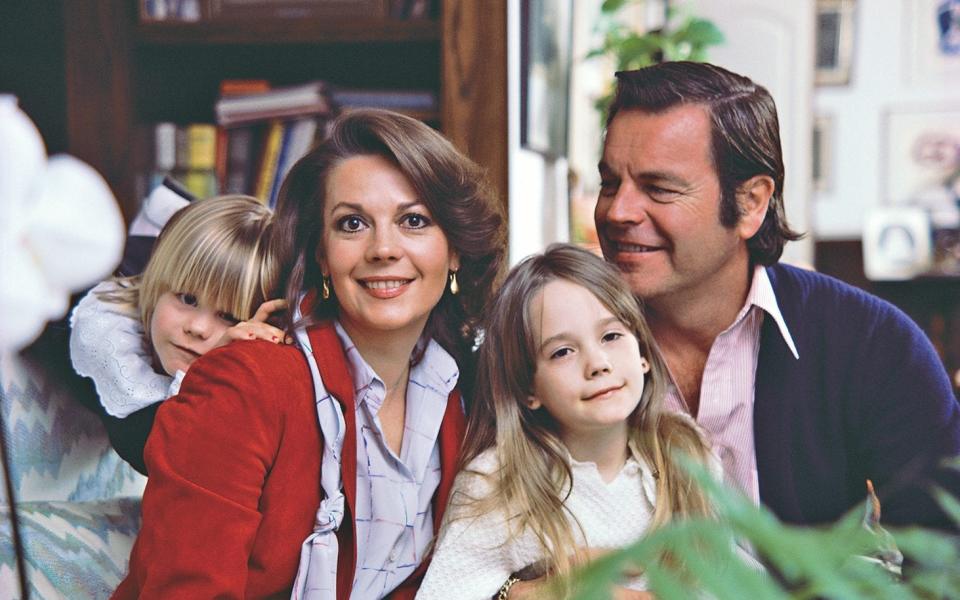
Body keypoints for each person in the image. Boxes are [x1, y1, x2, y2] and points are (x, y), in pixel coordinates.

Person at [112, 109, 506, 599]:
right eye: (353, 223)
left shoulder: (460, 395)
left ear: (454, 251)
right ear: (321, 254)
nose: (384, 248)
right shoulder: (244, 382)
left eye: (414, 220)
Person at [594, 61, 960, 530]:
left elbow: (941, 555)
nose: (618, 211)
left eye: (659, 188)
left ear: (751, 203)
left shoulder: (874, 344)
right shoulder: (554, 338)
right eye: (610, 183)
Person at [417, 244, 716, 600]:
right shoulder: (498, 483)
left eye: (611, 336)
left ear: (643, 355)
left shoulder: (686, 455)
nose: (598, 363)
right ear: (529, 387)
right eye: (562, 352)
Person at [69, 194, 287, 473]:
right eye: (187, 299)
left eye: (229, 316)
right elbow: (156, 450)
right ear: (158, 285)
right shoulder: (106, 330)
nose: (197, 328)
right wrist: (212, 373)